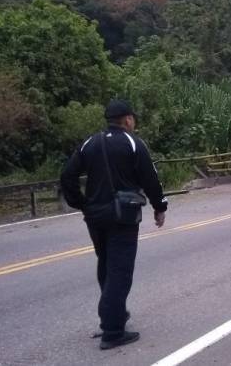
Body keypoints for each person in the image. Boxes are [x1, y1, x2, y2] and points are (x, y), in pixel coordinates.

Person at [60, 99, 168, 350]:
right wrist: (160, 208)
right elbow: (150, 179)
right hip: (123, 216)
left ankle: (113, 315)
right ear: (128, 119)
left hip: (95, 216)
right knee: (120, 271)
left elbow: (67, 175)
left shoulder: (90, 142)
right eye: (133, 119)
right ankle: (113, 331)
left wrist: (81, 203)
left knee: (106, 264)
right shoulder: (133, 143)